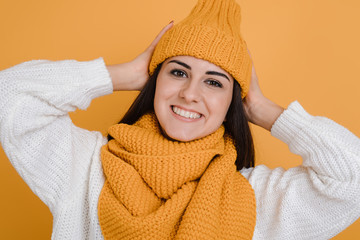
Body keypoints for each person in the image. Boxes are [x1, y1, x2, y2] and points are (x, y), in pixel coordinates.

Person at [1, 0, 360, 239]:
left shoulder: (258, 198)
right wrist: (123, 75)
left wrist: (263, 109)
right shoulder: (85, 168)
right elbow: (9, 95)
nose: (190, 93)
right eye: (177, 72)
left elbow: (353, 180)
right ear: (154, 80)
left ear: (233, 100)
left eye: (214, 82)